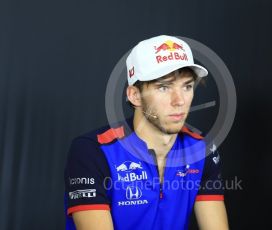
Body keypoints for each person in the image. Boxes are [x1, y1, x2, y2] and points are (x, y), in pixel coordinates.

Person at [64, 35, 229, 230]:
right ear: (135, 95)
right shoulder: (93, 151)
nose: (179, 100)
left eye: (187, 86)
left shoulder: (202, 151)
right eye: (164, 87)